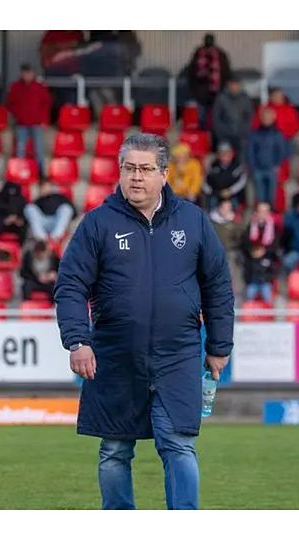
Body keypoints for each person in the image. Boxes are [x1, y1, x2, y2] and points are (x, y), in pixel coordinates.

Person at [54, 132, 234, 510]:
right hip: (115, 355)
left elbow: (218, 284)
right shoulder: (97, 224)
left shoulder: (193, 221)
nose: (136, 177)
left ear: (164, 174)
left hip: (178, 354)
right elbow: (70, 284)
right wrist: (78, 340)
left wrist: (219, 346)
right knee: (115, 449)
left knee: (178, 443)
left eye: (146, 169)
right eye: (129, 168)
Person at [7, 64, 52, 178]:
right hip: (21, 123)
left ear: (33, 74)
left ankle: (40, 174)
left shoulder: (39, 87)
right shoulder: (15, 87)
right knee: (20, 149)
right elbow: (10, 104)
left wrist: (44, 120)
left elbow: (46, 104)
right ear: (21, 74)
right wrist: (18, 116)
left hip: (37, 123)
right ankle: (19, 172)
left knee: (39, 149)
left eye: (29, 73)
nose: (27, 75)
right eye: (25, 73)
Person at [187, 33, 232, 128]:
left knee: (217, 117)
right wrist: (193, 90)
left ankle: (215, 139)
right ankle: (203, 137)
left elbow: (226, 72)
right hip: (201, 91)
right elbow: (192, 72)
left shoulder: (220, 54)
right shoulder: (198, 53)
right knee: (202, 118)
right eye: (207, 39)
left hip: (217, 91)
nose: (208, 41)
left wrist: (224, 88)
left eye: (210, 39)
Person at [247, 107, 288, 208]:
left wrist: (276, 165)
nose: (266, 119)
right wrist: (253, 166)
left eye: (269, 117)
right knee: (260, 196)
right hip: (258, 169)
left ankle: (271, 218)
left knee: (271, 196)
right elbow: (251, 151)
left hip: (271, 169)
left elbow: (281, 151)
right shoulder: (255, 134)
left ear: (273, 118)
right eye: (264, 117)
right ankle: (261, 218)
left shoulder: (277, 134)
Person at [209, 198, 246, 293]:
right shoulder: (212, 222)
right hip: (215, 254)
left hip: (231, 252)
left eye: (228, 208)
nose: (226, 210)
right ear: (219, 208)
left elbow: (240, 237)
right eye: (224, 208)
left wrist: (235, 223)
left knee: (231, 274)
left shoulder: (235, 222)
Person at [211, 76, 252, 153]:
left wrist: (244, 131)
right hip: (225, 136)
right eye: (233, 84)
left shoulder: (245, 98)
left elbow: (249, 117)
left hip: (241, 137)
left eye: (237, 85)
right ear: (228, 85)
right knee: (225, 159)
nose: (235, 87)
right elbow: (216, 118)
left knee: (241, 160)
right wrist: (222, 133)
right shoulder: (221, 98)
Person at [202, 143, 247, 209]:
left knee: (235, 203)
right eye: (222, 154)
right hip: (215, 194)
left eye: (227, 154)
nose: (225, 157)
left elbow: (242, 181)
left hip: (232, 195)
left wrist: (231, 191)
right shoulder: (212, 166)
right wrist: (212, 192)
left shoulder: (237, 166)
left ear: (232, 154)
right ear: (219, 155)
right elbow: (205, 181)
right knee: (211, 203)